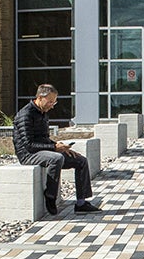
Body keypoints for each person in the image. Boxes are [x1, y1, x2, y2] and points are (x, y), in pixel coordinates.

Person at [10, 84, 99, 214]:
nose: (52, 105)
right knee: (56, 158)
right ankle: (50, 196)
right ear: (40, 98)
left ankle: (81, 203)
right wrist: (54, 148)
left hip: (42, 151)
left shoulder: (43, 113)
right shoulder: (25, 115)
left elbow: (44, 139)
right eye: (50, 101)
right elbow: (29, 145)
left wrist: (60, 147)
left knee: (80, 160)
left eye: (54, 102)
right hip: (28, 154)